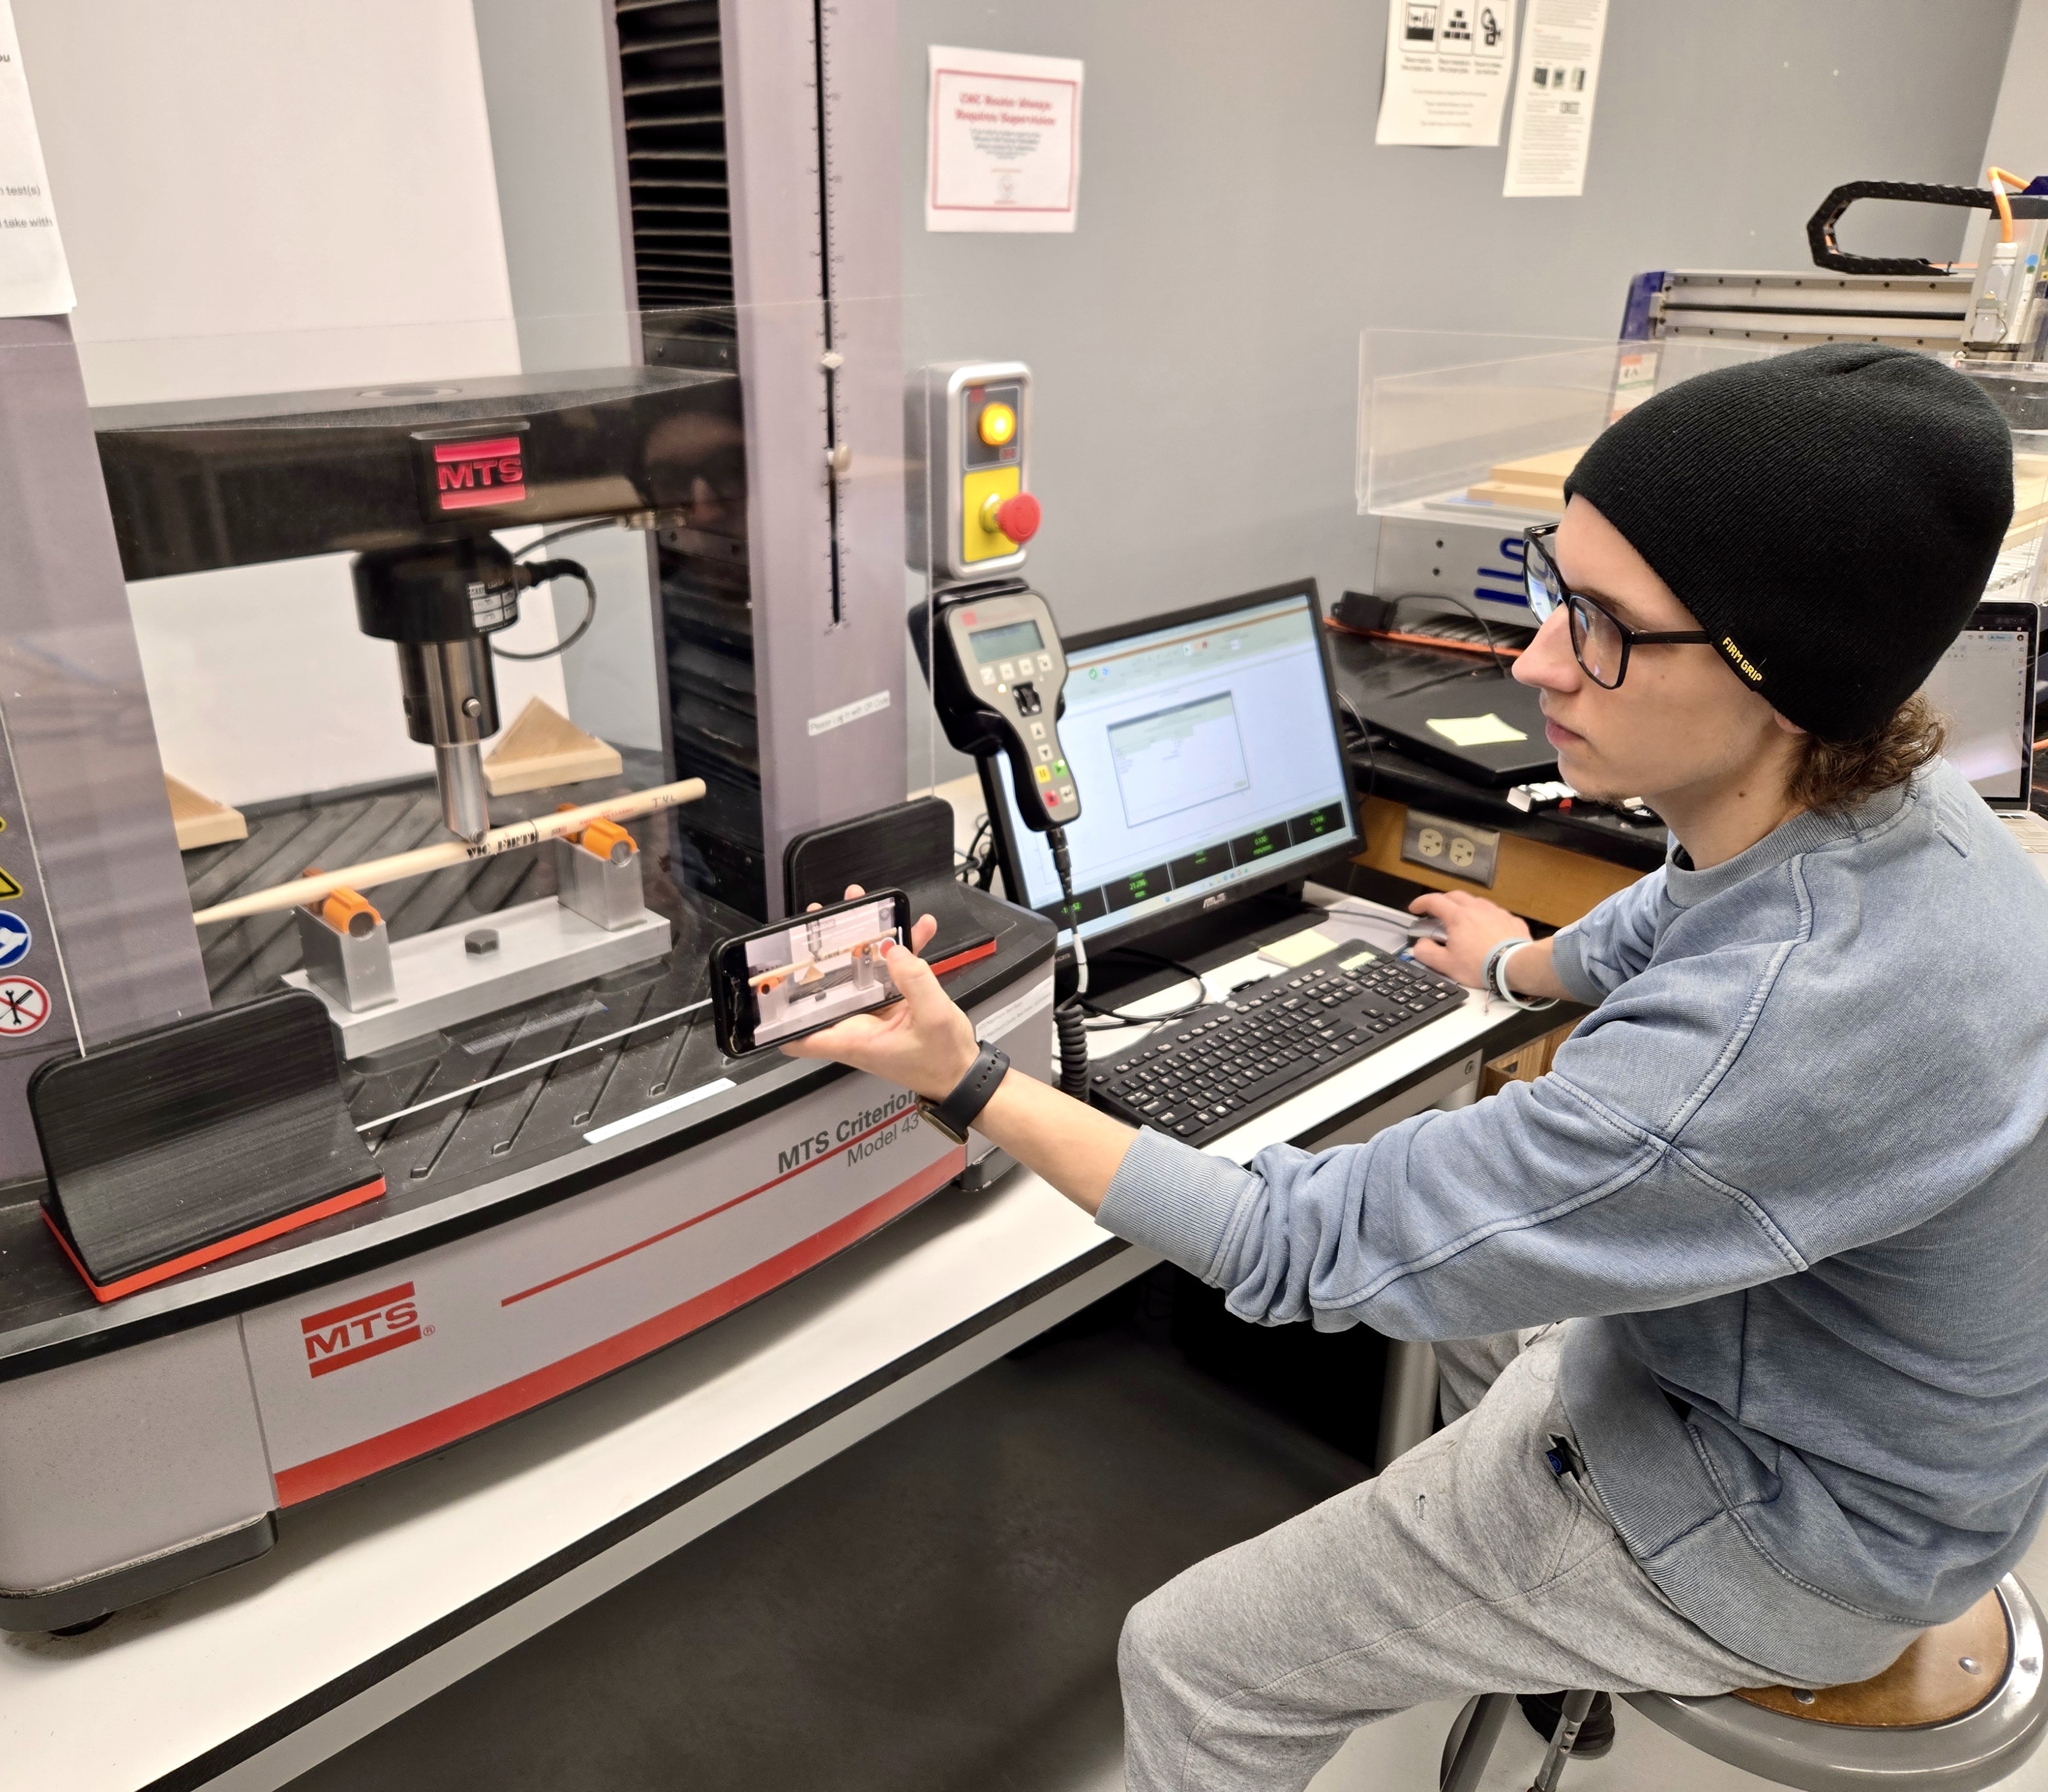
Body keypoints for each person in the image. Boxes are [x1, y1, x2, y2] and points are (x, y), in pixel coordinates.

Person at [785, 343, 2048, 1789]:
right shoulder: (1910, 819)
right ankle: (1471, 1592)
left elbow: (1292, 1245)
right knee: (1460, 1327)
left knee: (1192, 1656)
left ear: (1785, 676)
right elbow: (1687, 904)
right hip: (1882, 1452)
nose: (1532, 659)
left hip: (1790, 1537)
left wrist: (969, 1083)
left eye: (1604, 628)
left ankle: (1493, 1589)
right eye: (1547, 587)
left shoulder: (1771, 1032)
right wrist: (1517, 967)